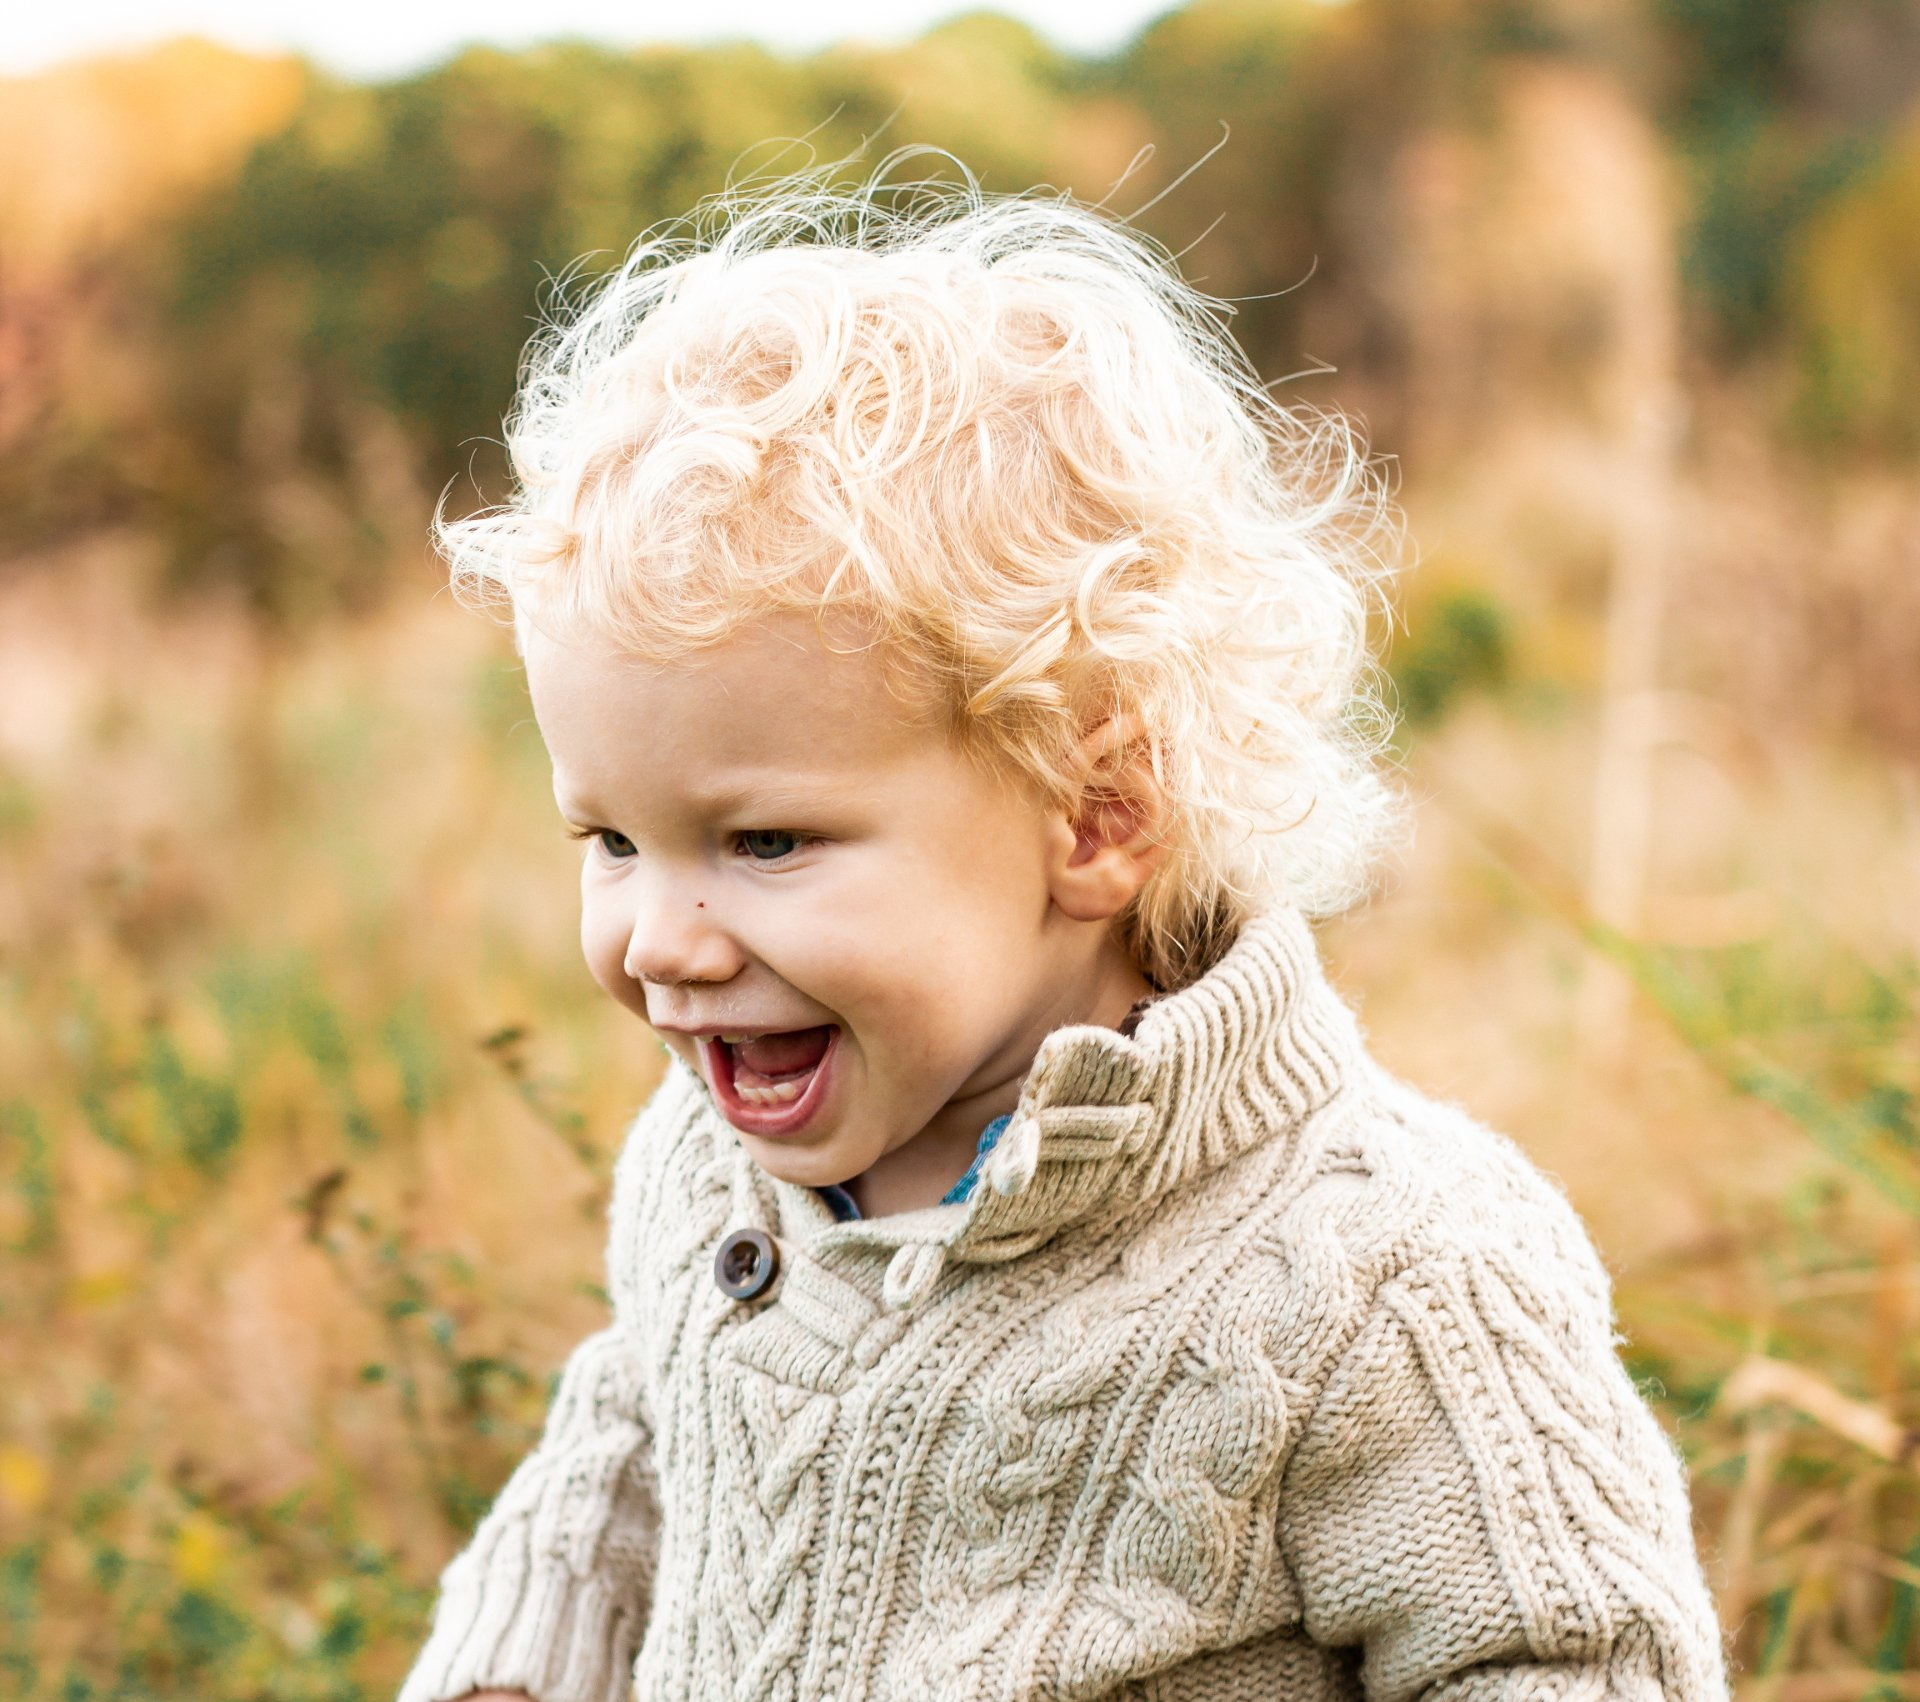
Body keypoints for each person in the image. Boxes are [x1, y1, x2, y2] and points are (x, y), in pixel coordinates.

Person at [397, 163, 1727, 1702]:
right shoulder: (705, 1173)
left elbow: (1570, 1654)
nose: (663, 939)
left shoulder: (1386, 1271)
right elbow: (643, 1424)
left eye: (766, 842)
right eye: (613, 840)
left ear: (1096, 816)